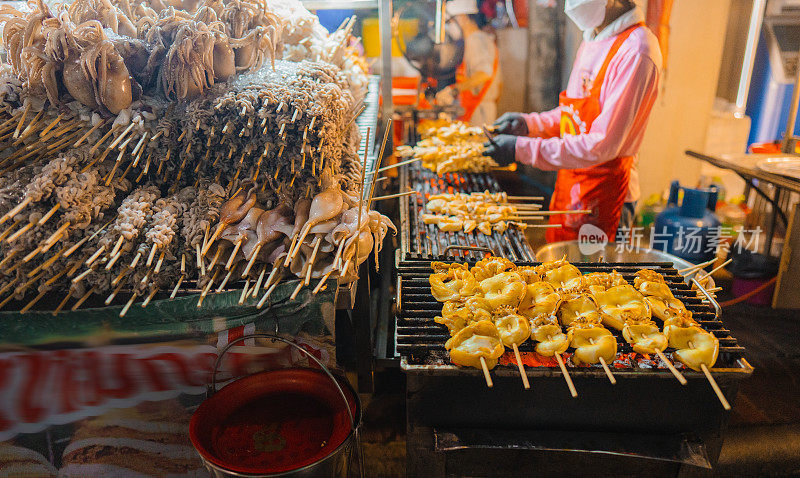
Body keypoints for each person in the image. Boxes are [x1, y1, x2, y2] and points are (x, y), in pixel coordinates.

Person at [483, 0, 661, 242]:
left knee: (592, 278)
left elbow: (602, 144)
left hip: (606, 195)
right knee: (559, 271)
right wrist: (529, 125)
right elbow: (573, 114)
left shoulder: (638, 51)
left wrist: (520, 149)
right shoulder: (593, 38)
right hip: (573, 183)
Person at [437, 0, 501, 125]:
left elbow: (484, 74)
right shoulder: (471, 39)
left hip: (480, 109)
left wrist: (454, 90)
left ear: (462, 18)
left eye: (451, 21)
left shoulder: (476, 39)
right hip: (474, 106)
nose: (450, 26)